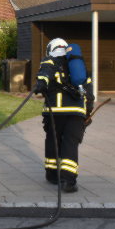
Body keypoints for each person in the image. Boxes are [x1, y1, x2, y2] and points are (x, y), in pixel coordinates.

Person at [34, 38, 94, 193]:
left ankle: (53, 175)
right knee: (70, 144)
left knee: (53, 141)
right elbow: (90, 94)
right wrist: (86, 114)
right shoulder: (79, 67)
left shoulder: (50, 61)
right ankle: (68, 181)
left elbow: (44, 74)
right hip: (76, 114)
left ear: (50, 49)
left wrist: (40, 84)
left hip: (54, 112)